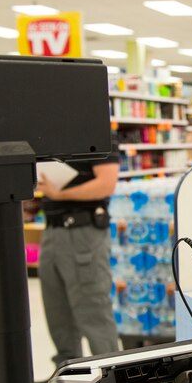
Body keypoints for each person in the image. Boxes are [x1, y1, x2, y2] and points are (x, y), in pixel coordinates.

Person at [36, 137, 120, 368]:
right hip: (52, 231)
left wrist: (58, 194)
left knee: (93, 313)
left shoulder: (99, 134)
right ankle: (69, 379)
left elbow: (106, 183)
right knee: (58, 314)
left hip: (83, 233)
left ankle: (110, 379)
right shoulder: (49, 136)